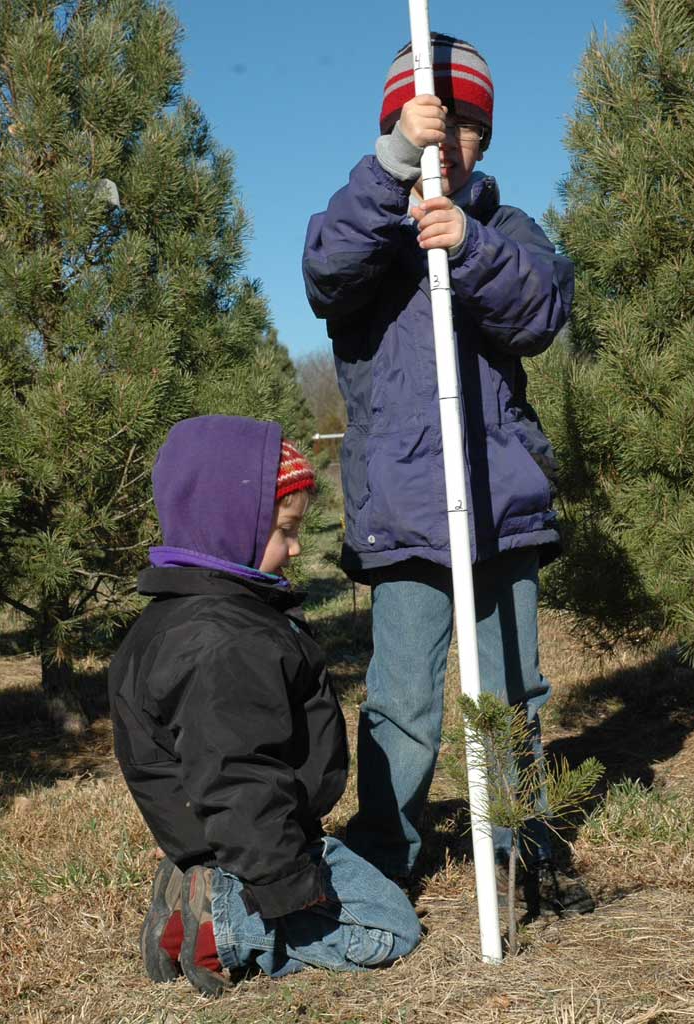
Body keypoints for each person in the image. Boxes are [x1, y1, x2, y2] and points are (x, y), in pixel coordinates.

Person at [302, 34, 593, 915]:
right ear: (398, 122)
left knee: (511, 692)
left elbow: (541, 306)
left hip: (499, 508)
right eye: (430, 120)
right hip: (406, 516)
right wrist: (391, 168)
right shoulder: (367, 241)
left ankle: (521, 843)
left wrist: (466, 245)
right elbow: (322, 269)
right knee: (400, 704)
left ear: (485, 140)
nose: (446, 138)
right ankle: (386, 854)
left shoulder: (507, 229)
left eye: (466, 125)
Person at [108, 415, 422, 997]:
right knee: (388, 926)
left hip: (240, 833)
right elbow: (237, 776)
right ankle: (220, 924)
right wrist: (285, 885)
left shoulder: (191, 614)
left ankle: (199, 881)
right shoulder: (226, 641)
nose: (297, 546)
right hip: (256, 845)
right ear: (231, 525)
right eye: (285, 530)